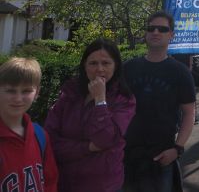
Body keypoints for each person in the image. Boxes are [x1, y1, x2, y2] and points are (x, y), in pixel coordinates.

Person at [45, 39, 136, 192]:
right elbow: (51, 140)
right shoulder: (70, 91)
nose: (99, 69)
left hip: (102, 185)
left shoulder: (124, 99)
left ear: (116, 66)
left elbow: (104, 139)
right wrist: (87, 147)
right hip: (65, 181)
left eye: (106, 63)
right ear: (84, 66)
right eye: (93, 63)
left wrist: (100, 100)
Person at [123, 11, 196, 192]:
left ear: (171, 35)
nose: (155, 32)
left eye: (162, 29)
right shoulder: (128, 68)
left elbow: (189, 113)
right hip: (126, 155)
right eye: (151, 28)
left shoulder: (180, 72)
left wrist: (177, 149)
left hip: (161, 156)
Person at [0, 57, 59, 192]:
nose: (18, 99)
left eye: (26, 91)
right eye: (10, 90)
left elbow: (50, 181)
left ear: (37, 92)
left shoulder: (40, 135)